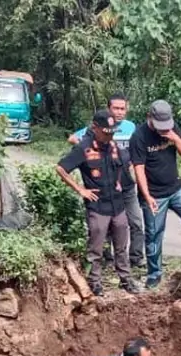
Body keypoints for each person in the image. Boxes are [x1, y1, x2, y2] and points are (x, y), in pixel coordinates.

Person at [57, 110, 141, 296]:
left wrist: (120, 181)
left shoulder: (113, 146)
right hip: (98, 207)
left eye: (112, 132)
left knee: (121, 246)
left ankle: (125, 279)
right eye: (106, 131)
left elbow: (123, 164)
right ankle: (95, 282)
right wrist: (80, 189)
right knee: (96, 249)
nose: (109, 135)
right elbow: (61, 168)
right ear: (95, 128)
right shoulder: (84, 148)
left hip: (117, 205)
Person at [131, 100, 181, 288]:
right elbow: (138, 169)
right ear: (150, 117)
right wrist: (147, 196)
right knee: (154, 233)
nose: (162, 130)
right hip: (154, 193)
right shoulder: (139, 136)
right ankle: (154, 273)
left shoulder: (172, 129)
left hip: (175, 187)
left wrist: (175, 138)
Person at [72, 93, 145, 271]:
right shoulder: (100, 126)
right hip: (105, 187)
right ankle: (107, 260)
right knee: (109, 226)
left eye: (123, 109)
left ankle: (136, 258)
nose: (119, 112)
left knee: (135, 223)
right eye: (116, 108)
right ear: (109, 109)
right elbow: (73, 138)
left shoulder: (130, 127)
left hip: (126, 185)